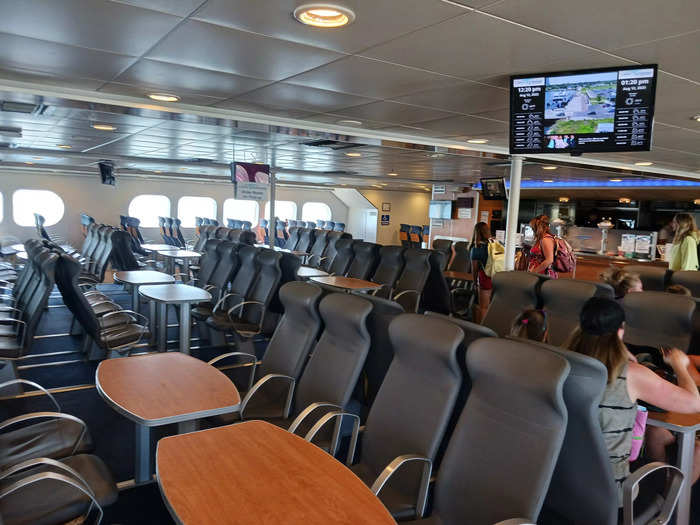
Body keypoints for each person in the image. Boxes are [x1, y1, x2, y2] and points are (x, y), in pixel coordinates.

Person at [566, 298, 700, 503]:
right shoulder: (630, 374)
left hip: (561, 481)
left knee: (656, 433)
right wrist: (680, 365)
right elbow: (693, 404)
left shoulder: (562, 363)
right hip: (612, 493)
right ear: (621, 331)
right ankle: (670, 507)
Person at [469, 222, 492, 323]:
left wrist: (474, 283)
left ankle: (481, 330)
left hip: (484, 278)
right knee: (491, 306)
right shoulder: (494, 245)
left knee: (483, 307)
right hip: (496, 277)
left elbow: (474, 269)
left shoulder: (476, 249)